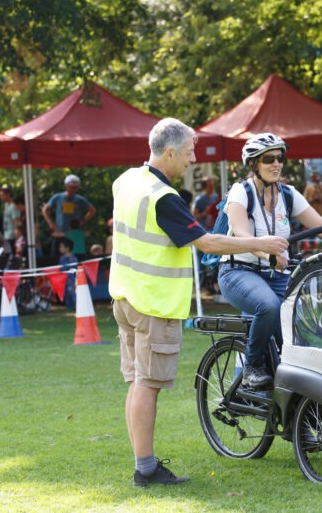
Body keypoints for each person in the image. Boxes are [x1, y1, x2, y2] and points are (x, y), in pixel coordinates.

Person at [109, 118, 288, 488]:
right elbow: (207, 242)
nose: (193, 159)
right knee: (147, 385)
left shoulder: (127, 180)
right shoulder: (164, 198)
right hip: (152, 303)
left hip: (125, 296)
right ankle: (145, 469)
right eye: (190, 151)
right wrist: (261, 243)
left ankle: (143, 464)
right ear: (170, 152)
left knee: (137, 383)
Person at [218, 133, 322, 390]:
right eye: (269, 159)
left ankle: (294, 385)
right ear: (254, 164)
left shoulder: (288, 195)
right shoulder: (240, 192)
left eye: (280, 158)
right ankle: (251, 368)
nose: (276, 164)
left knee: (303, 321)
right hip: (238, 271)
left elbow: (320, 224)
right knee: (269, 306)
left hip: (274, 274)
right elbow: (242, 234)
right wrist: (269, 254)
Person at [42, 174, 96, 257]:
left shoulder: (79, 199)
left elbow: (92, 210)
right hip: (60, 232)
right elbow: (45, 210)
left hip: (74, 234)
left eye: (75, 187)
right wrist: (50, 222)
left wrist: (83, 221)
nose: (73, 189)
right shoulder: (58, 197)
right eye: (71, 186)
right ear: (66, 185)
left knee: (77, 258)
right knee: (56, 258)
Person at [0, 185, 22, 255]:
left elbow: (17, 221)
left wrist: (17, 237)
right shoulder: (6, 205)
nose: (0, 197)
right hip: (7, 235)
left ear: (8, 194)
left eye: (2, 195)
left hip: (12, 236)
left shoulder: (13, 206)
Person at [56, 236, 78, 310]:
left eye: (61, 247)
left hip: (72, 280)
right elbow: (61, 268)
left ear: (67, 248)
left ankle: (76, 306)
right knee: (66, 294)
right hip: (64, 280)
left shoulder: (73, 258)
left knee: (72, 293)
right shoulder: (62, 258)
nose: (60, 248)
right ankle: (69, 307)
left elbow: (75, 268)